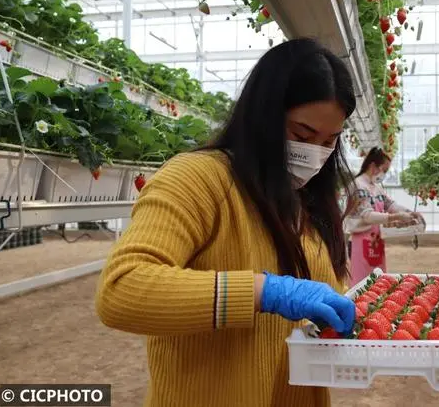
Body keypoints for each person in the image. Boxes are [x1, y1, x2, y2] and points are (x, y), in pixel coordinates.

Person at [95, 38, 358, 407]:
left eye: (331, 140)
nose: (316, 154)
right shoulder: (197, 178)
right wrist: (263, 292)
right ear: (263, 116)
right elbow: (121, 291)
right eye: (302, 135)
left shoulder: (306, 201)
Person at [344, 147, 425, 287]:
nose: (384, 174)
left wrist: (409, 212)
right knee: (361, 284)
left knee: (377, 281)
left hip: (376, 240)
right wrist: (396, 217)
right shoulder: (357, 185)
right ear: (373, 166)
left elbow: (390, 204)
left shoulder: (376, 187)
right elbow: (367, 216)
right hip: (360, 241)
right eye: (384, 170)